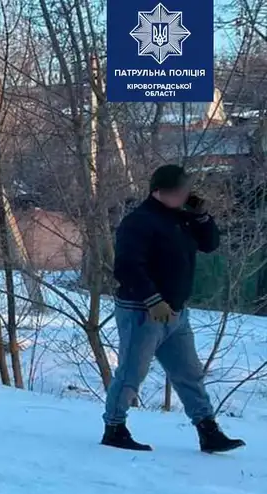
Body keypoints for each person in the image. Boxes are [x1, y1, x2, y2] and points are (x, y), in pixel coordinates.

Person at [101, 164, 245, 453]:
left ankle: (208, 430)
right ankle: (114, 429)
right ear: (159, 192)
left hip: (176, 313)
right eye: (179, 191)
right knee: (132, 372)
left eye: (186, 191)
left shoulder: (182, 218)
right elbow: (127, 266)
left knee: (189, 373)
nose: (185, 195)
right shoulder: (139, 222)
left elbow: (210, 244)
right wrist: (153, 299)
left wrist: (202, 216)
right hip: (142, 310)